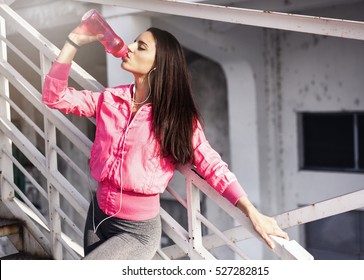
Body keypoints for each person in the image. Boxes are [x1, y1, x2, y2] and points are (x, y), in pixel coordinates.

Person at [42, 24, 289, 260]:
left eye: (141, 46)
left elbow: (211, 165)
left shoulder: (176, 117)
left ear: (159, 65)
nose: (128, 47)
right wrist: (73, 41)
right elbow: (54, 97)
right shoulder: (109, 100)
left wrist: (251, 211)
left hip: (135, 232)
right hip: (97, 217)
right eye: (134, 42)